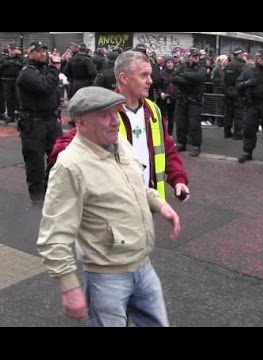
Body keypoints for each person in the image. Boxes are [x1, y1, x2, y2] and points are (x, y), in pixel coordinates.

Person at [37, 87, 181, 327]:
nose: (115, 122)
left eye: (116, 113)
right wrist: (69, 287)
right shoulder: (70, 167)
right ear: (81, 122)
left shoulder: (119, 143)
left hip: (143, 266)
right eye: (105, 115)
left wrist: (160, 204)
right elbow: (54, 235)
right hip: (107, 277)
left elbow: (136, 185)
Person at [49, 50, 190, 202]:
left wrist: (179, 179)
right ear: (124, 78)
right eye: (144, 75)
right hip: (118, 208)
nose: (150, 80)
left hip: (150, 202)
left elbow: (166, 148)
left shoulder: (153, 109)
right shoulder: (104, 111)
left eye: (150, 75)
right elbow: (62, 150)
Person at [16, 41, 64, 203]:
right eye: (38, 51)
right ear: (30, 54)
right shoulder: (27, 73)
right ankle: (37, 197)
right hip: (34, 123)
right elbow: (45, 87)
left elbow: (54, 91)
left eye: (44, 50)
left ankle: (50, 186)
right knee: (35, 161)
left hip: (51, 119)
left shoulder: (44, 70)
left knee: (59, 155)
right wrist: (54, 69)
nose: (43, 53)